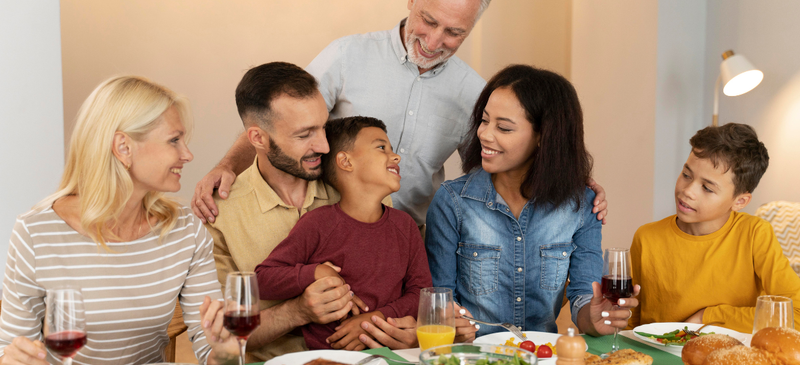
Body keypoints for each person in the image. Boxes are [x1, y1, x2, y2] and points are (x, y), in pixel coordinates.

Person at [190, 0, 609, 228]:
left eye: (454, 32)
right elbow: (280, 120)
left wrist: (574, 179)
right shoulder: (347, 55)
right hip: (328, 226)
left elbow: (507, 156)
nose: (434, 40)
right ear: (411, 2)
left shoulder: (474, 93)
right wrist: (226, 166)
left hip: (414, 235)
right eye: (428, 21)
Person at [0, 76, 238, 365]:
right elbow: (10, 358)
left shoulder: (185, 230)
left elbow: (212, 352)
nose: (188, 154)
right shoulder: (36, 233)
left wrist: (225, 349)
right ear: (123, 147)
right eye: (174, 140)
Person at [202, 62, 432, 361]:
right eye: (304, 134)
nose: (324, 145)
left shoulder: (360, 188)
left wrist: (403, 329)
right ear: (257, 138)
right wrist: (297, 311)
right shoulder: (219, 213)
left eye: (323, 126)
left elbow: (409, 294)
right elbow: (222, 338)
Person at [426, 65, 637, 337]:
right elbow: (439, 300)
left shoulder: (582, 205)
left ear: (543, 136)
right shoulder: (452, 202)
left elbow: (585, 296)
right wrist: (450, 323)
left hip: (543, 359)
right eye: (484, 120)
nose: (485, 134)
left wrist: (597, 318)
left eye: (503, 127)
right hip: (474, 363)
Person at [255, 116, 433, 351]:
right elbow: (262, 279)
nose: (395, 156)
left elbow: (421, 293)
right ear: (345, 161)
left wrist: (374, 319)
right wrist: (317, 272)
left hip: (394, 359)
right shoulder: (318, 224)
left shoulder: (406, 226)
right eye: (381, 147)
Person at [627, 123, 800, 333]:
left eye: (707, 188)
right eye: (686, 175)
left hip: (727, 359)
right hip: (658, 360)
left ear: (740, 201)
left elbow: (794, 313)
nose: (688, 191)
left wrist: (708, 317)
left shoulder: (755, 234)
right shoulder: (646, 237)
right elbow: (631, 323)